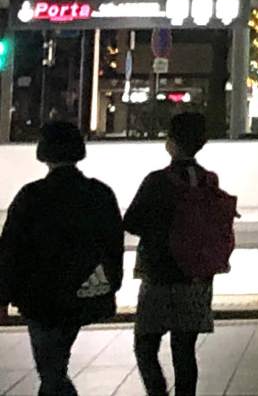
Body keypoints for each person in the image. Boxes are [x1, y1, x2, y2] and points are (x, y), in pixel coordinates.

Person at [0, 120, 124, 396]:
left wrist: (3, 296)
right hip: (83, 292)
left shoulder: (32, 196)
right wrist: (110, 285)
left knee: (51, 369)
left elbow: (10, 250)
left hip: (39, 296)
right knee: (55, 364)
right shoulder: (99, 193)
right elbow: (113, 244)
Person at [123, 113, 220, 396]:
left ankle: (158, 392)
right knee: (184, 350)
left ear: (172, 142)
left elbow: (131, 221)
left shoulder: (157, 181)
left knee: (145, 345)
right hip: (197, 277)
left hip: (159, 275)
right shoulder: (209, 181)